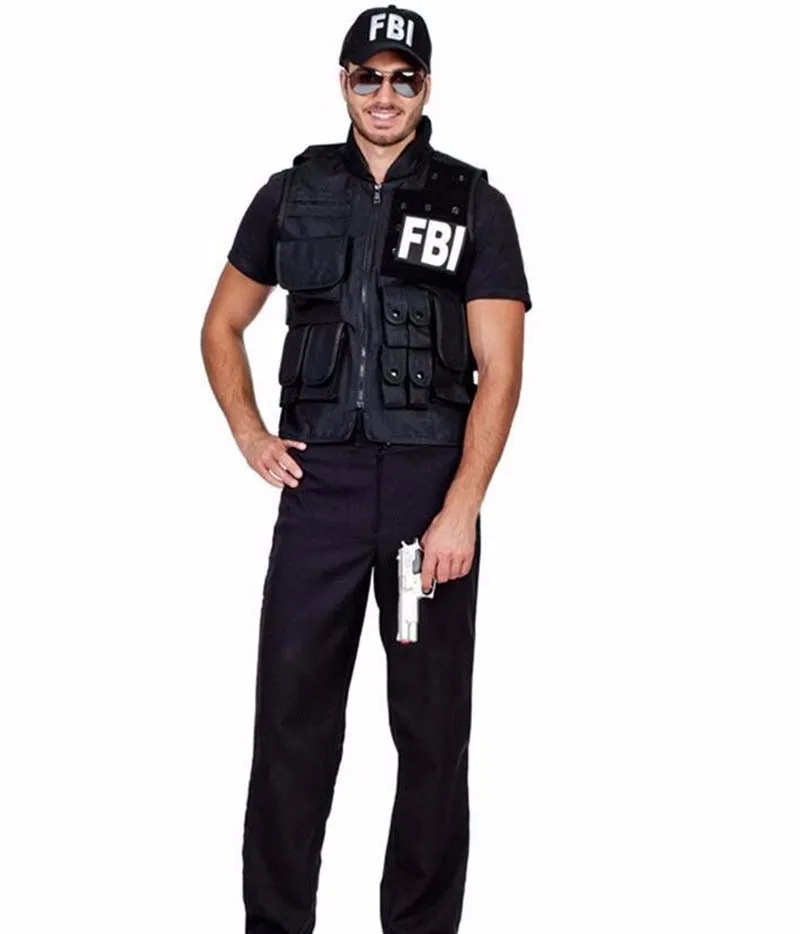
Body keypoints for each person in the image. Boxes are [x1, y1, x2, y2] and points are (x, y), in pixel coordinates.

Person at [200, 5, 531, 932]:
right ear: (343, 81)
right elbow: (221, 325)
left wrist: (461, 508)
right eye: (368, 76)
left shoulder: (473, 202)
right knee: (290, 723)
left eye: (403, 78)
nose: (385, 95)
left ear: (426, 87)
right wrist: (250, 434)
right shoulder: (291, 192)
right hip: (320, 488)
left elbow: (502, 369)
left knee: (431, 731)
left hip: (429, 491)